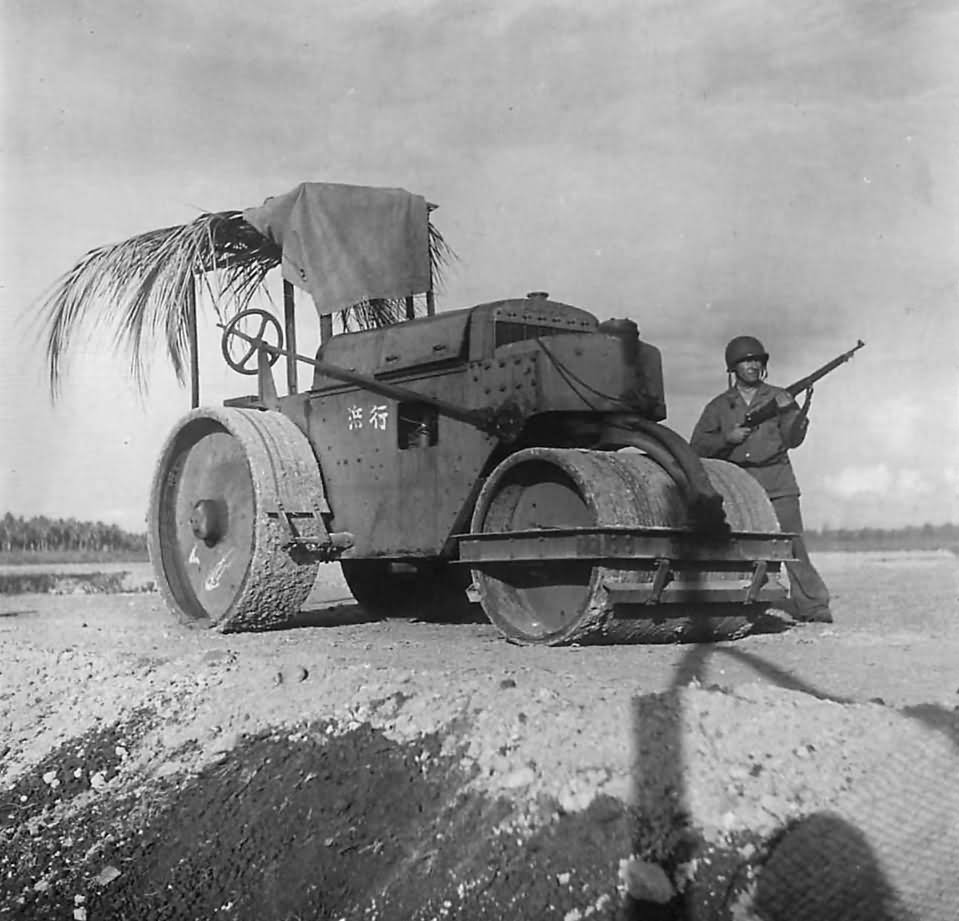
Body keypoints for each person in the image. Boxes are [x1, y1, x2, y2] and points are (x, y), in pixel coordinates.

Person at [690, 335, 833, 623]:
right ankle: (734, 604)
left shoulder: (779, 397)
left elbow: (794, 440)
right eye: (746, 361)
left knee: (792, 545)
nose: (753, 365)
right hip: (737, 486)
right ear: (734, 368)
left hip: (777, 480)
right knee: (734, 546)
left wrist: (792, 411)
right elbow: (697, 448)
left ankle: (813, 606)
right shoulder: (719, 406)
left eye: (757, 360)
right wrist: (726, 439)